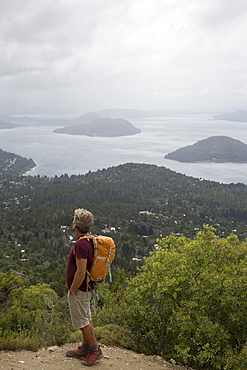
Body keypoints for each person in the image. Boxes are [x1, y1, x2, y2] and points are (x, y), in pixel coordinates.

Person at [66, 208, 103, 366]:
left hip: (80, 289)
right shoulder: (89, 241)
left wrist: (73, 289)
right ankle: (86, 347)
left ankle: (95, 350)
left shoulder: (81, 245)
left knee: (83, 321)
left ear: (75, 225)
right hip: (86, 288)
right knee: (85, 318)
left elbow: (81, 272)